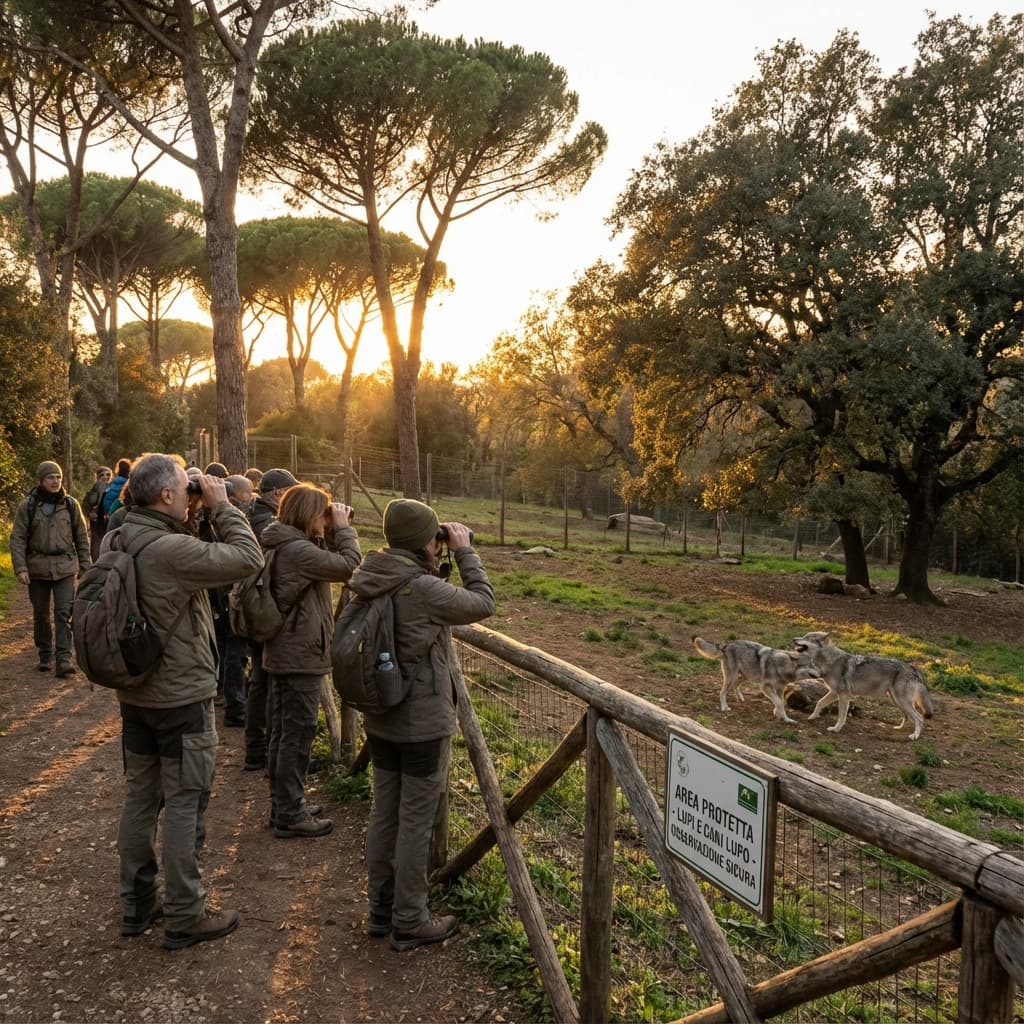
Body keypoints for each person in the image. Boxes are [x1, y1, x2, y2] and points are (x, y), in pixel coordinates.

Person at [110, 454, 263, 950]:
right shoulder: (169, 551)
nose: (194, 490)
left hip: (136, 693)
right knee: (184, 802)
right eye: (185, 485)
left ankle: (136, 904)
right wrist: (222, 506)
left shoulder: (120, 534)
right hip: (181, 696)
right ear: (167, 496)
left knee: (140, 798)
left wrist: (193, 508)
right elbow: (247, 558)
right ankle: (184, 913)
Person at [350, 498, 494, 951]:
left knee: (383, 812)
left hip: (380, 714)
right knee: (415, 821)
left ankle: (381, 908)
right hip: (421, 723)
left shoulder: (369, 576)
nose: (442, 542)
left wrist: (435, 556)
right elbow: (483, 602)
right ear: (424, 541)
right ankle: (410, 919)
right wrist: (465, 551)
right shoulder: (422, 590)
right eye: (436, 536)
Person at [260, 484, 360, 837]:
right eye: (323, 512)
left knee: (284, 731)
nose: (327, 518)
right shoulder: (297, 550)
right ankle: (290, 812)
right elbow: (350, 565)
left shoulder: (286, 542)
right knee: (296, 734)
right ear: (307, 515)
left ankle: (285, 803)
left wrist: (332, 528)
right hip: (298, 653)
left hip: (284, 649)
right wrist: (345, 530)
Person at [10, 461, 91, 677]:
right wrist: (21, 568)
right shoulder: (27, 506)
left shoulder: (71, 505)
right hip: (37, 568)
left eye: (58, 477)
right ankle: (45, 654)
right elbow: (17, 538)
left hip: (64, 567)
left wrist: (85, 566)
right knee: (41, 614)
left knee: (64, 612)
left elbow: (81, 537)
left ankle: (63, 658)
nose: (55, 481)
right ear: (41, 480)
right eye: (50, 477)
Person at [242, 468, 297, 772]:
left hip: (257, 606)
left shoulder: (254, 515)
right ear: (279, 494)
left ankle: (258, 749)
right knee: (264, 682)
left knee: (260, 680)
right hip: (266, 609)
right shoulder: (267, 524)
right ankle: (260, 749)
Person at [81, 465, 113, 561]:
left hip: (105, 519)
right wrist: (91, 513)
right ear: (98, 477)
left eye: (108, 474)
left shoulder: (112, 488)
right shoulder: (97, 487)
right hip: (97, 520)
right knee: (97, 543)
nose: (105, 477)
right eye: (102, 475)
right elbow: (85, 505)